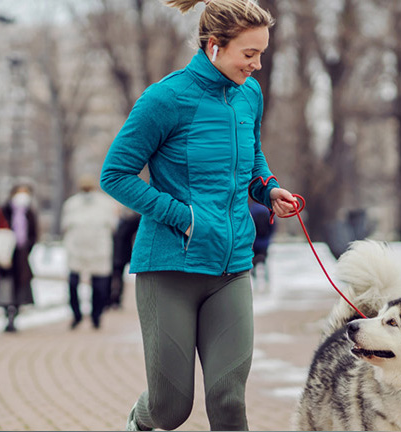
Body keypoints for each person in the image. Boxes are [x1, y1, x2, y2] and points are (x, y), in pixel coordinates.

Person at [100, 0, 297, 429]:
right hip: (170, 268)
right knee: (171, 410)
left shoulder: (249, 95)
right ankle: (140, 420)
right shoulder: (165, 98)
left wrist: (267, 188)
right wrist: (184, 216)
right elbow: (115, 175)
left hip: (231, 267)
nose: (258, 65)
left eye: (261, 53)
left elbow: (251, 157)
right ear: (214, 46)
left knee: (228, 401)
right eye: (249, 54)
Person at [61, 175, 119, 330]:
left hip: (98, 249)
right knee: (73, 284)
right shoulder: (71, 204)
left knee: (99, 286)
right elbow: (65, 225)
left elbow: (113, 225)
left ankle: (96, 315)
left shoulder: (106, 204)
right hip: (77, 249)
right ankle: (77, 315)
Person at [0, 183, 38, 333]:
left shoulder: (29, 212)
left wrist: (27, 249)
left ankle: (15, 314)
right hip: (5, 256)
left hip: (22, 256)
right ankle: (8, 315)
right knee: (6, 287)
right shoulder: (3, 210)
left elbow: (34, 234)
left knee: (21, 286)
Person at [109, 208, 141, 308]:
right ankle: (110, 298)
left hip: (121, 254)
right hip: (110, 253)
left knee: (118, 276)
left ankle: (117, 299)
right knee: (110, 276)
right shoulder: (113, 223)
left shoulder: (130, 222)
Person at [249, 199, 274, 290]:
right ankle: (267, 282)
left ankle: (255, 282)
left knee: (254, 262)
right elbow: (272, 225)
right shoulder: (268, 210)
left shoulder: (252, 210)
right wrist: (269, 237)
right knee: (265, 262)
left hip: (254, 242)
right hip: (265, 242)